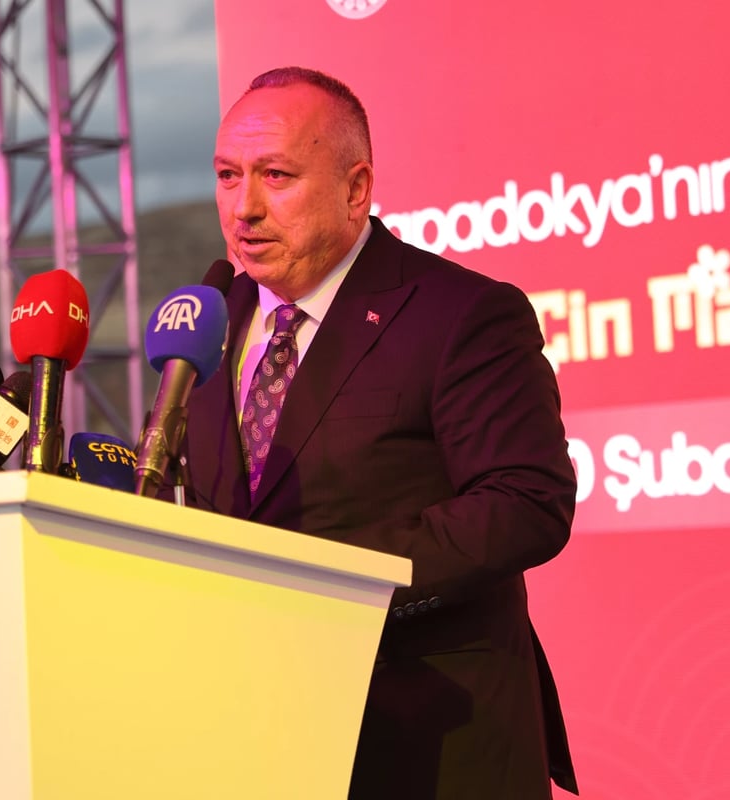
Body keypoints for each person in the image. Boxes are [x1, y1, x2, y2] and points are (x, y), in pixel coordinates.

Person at [176, 66, 579, 798]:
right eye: (228, 176)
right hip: (254, 738)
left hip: (427, 742)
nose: (245, 208)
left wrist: (327, 582)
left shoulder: (460, 313)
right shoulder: (210, 323)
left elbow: (527, 501)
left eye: (276, 175)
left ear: (356, 188)